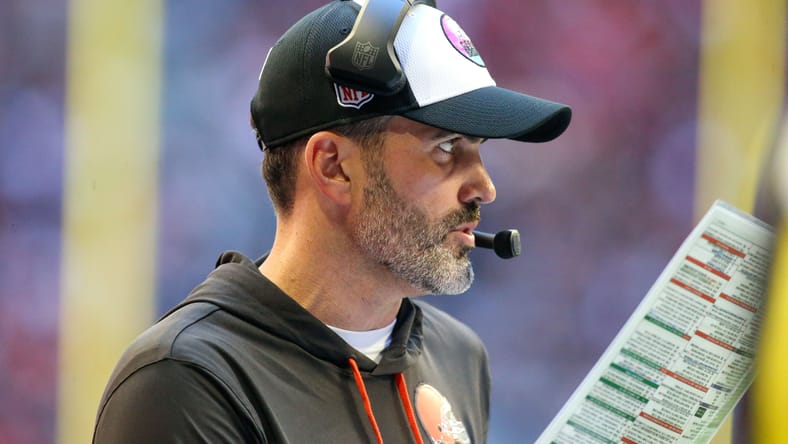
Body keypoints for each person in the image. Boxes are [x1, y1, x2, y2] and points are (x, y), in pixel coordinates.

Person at [92, 0, 571, 442]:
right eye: (446, 146)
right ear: (332, 166)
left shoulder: (458, 354)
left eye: (479, 150)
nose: (484, 188)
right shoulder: (187, 381)